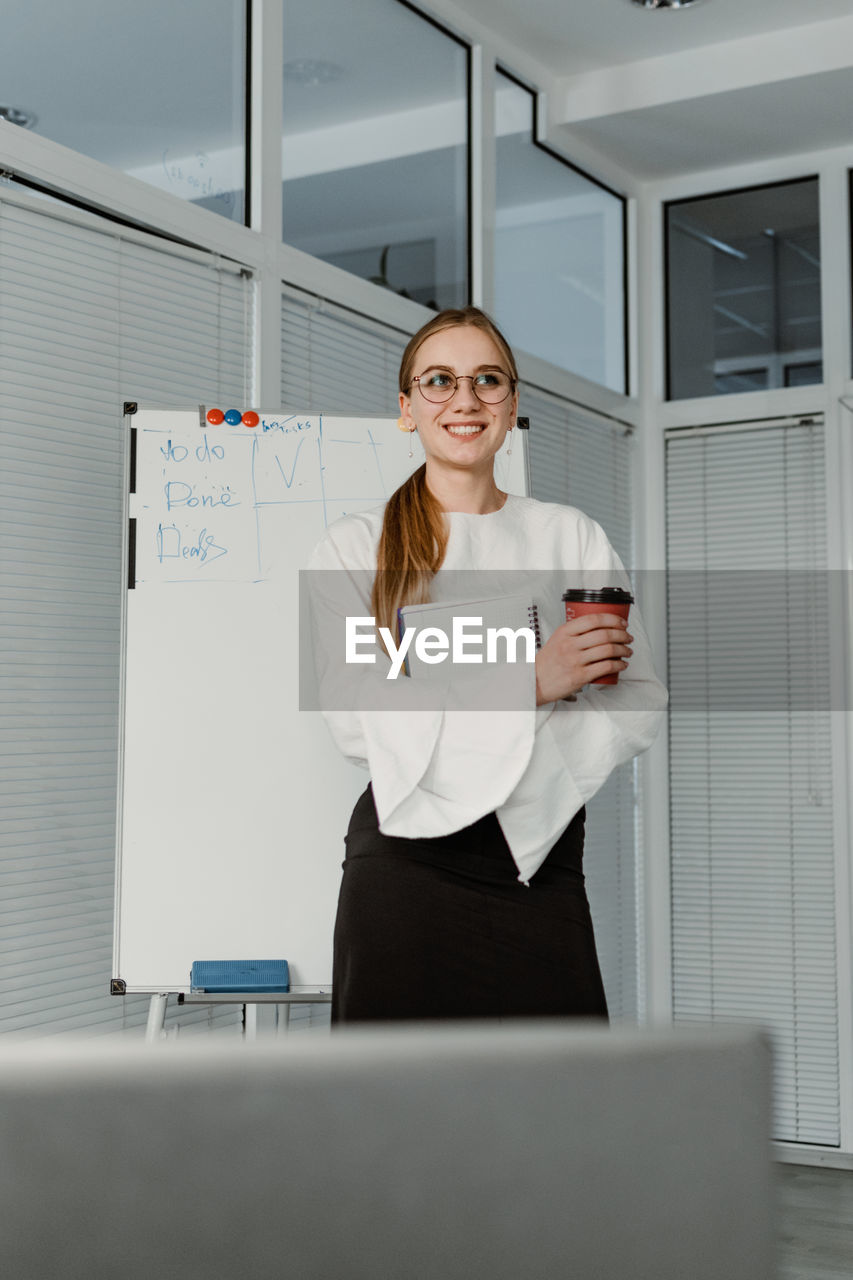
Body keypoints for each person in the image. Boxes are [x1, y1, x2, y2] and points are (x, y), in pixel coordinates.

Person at [307, 306, 667, 1023]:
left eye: (486, 380)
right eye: (438, 381)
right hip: (403, 863)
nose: (464, 400)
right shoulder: (352, 549)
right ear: (407, 409)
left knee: (552, 1101)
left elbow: (635, 703)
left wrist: (481, 744)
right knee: (397, 1107)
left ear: (511, 405)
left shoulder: (567, 535)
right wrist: (533, 684)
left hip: (537, 851)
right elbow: (354, 718)